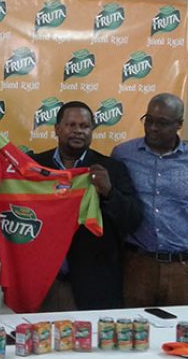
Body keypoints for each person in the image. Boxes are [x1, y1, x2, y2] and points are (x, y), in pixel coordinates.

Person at [112, 93, 188, 308]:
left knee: (181, 336)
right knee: (133, 336)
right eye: (149, 120)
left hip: (183, 269)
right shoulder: (123, 154)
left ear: (179, 124)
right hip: (137, 266)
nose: (152, 127)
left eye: (161, 123)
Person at [32, 101, 142, 310]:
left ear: (92, 131)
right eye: (71, 125)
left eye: (84, 126)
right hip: (45, 282)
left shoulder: (112, 168)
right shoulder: (36, 167)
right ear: (57, 129)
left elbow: (133, 220)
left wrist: (109, 192)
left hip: (95, 285)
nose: (77, 131)